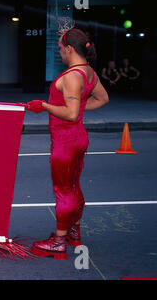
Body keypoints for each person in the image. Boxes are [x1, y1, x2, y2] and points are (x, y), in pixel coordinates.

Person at [26, 28, 109, 260]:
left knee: (63, 191)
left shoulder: (72, 76)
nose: (60, 53)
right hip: (77, 139)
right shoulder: (88, 73)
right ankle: (73, 231)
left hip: (66, 142)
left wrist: (43, 106)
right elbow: (102, 99)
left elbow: (71, 114)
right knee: (73, 186)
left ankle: (58, 242)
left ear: (70, 49)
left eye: (61, 49)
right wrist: (79, 108)